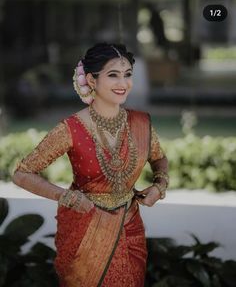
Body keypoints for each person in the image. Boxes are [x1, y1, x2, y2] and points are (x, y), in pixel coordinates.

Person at [12, 42, 169, 287]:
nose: (123, 83)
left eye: (127, 75)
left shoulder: (140, 123)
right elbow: (22, 174)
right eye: (113, 75)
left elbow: (159, 158)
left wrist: (160, 185)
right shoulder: (71, 129)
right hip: (85, 228)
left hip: (129, 228)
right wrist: (66, 197)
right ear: (92, 80)